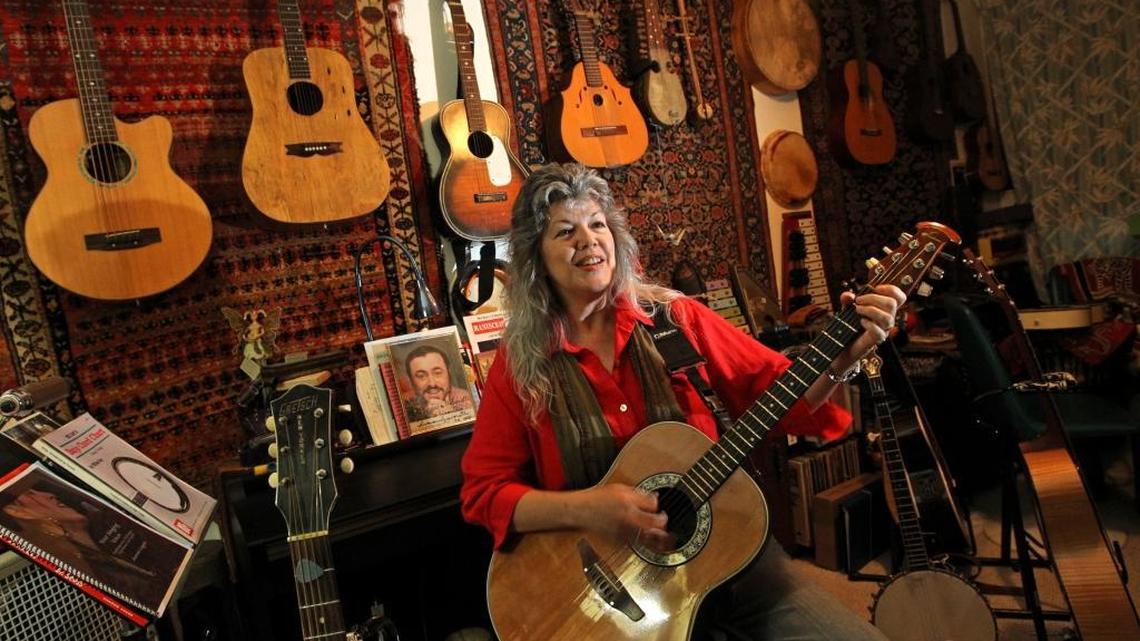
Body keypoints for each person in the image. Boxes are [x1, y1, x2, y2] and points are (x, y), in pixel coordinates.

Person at [460, 163, 903, 640]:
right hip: (611, 597)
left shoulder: (676, 319)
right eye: (565, 232)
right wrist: (590, 508)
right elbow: (485, 493)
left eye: (597, 225)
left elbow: (783, 395)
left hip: (730, 555)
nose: (588, 241)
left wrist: (842, 359)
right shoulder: (522, 363)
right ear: (536, 259)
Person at [403, 343, 474, 419]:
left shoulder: (467, 400)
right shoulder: (405, 406)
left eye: (437, 373)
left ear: (448, 372)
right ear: (410, 380)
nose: (432, 383)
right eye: (421, 376)